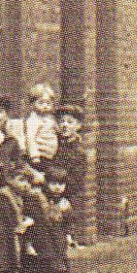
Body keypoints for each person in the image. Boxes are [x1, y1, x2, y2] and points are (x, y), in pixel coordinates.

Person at [8, 162, 49, 273]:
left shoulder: (30, 197)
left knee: (32, 272)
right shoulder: (8, 196)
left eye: (27, 181)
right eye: (21, 180)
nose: (24, 185)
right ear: (10, 180)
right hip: (18, 240)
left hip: (31, 240)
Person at [50, 105, 89, 246]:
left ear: (78, 125)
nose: (64, 125)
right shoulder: (54, 145)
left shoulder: (78, 152)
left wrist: (62, 193)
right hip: (51, 193)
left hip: (66, 195)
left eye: (70, 122)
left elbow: (77, 180)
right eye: (61, 121)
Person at [38, 164, 73, 273]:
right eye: (53, 184)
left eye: (61, 184)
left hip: (60, 241)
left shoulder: (65, 203)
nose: (57, 187)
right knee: (48, 270)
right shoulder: (42, 201)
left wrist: (69, 235)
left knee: (62, 269)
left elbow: (69, 222)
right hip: (47, 240)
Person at [19, 83, 58, 170]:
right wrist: (34, 155)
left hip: (50, 155)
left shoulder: (50, 118)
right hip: (40, 156)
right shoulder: (34, 119)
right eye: (41, 103)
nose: (45, 106)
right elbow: (30, 138)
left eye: (48, 103)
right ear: (32, 104)